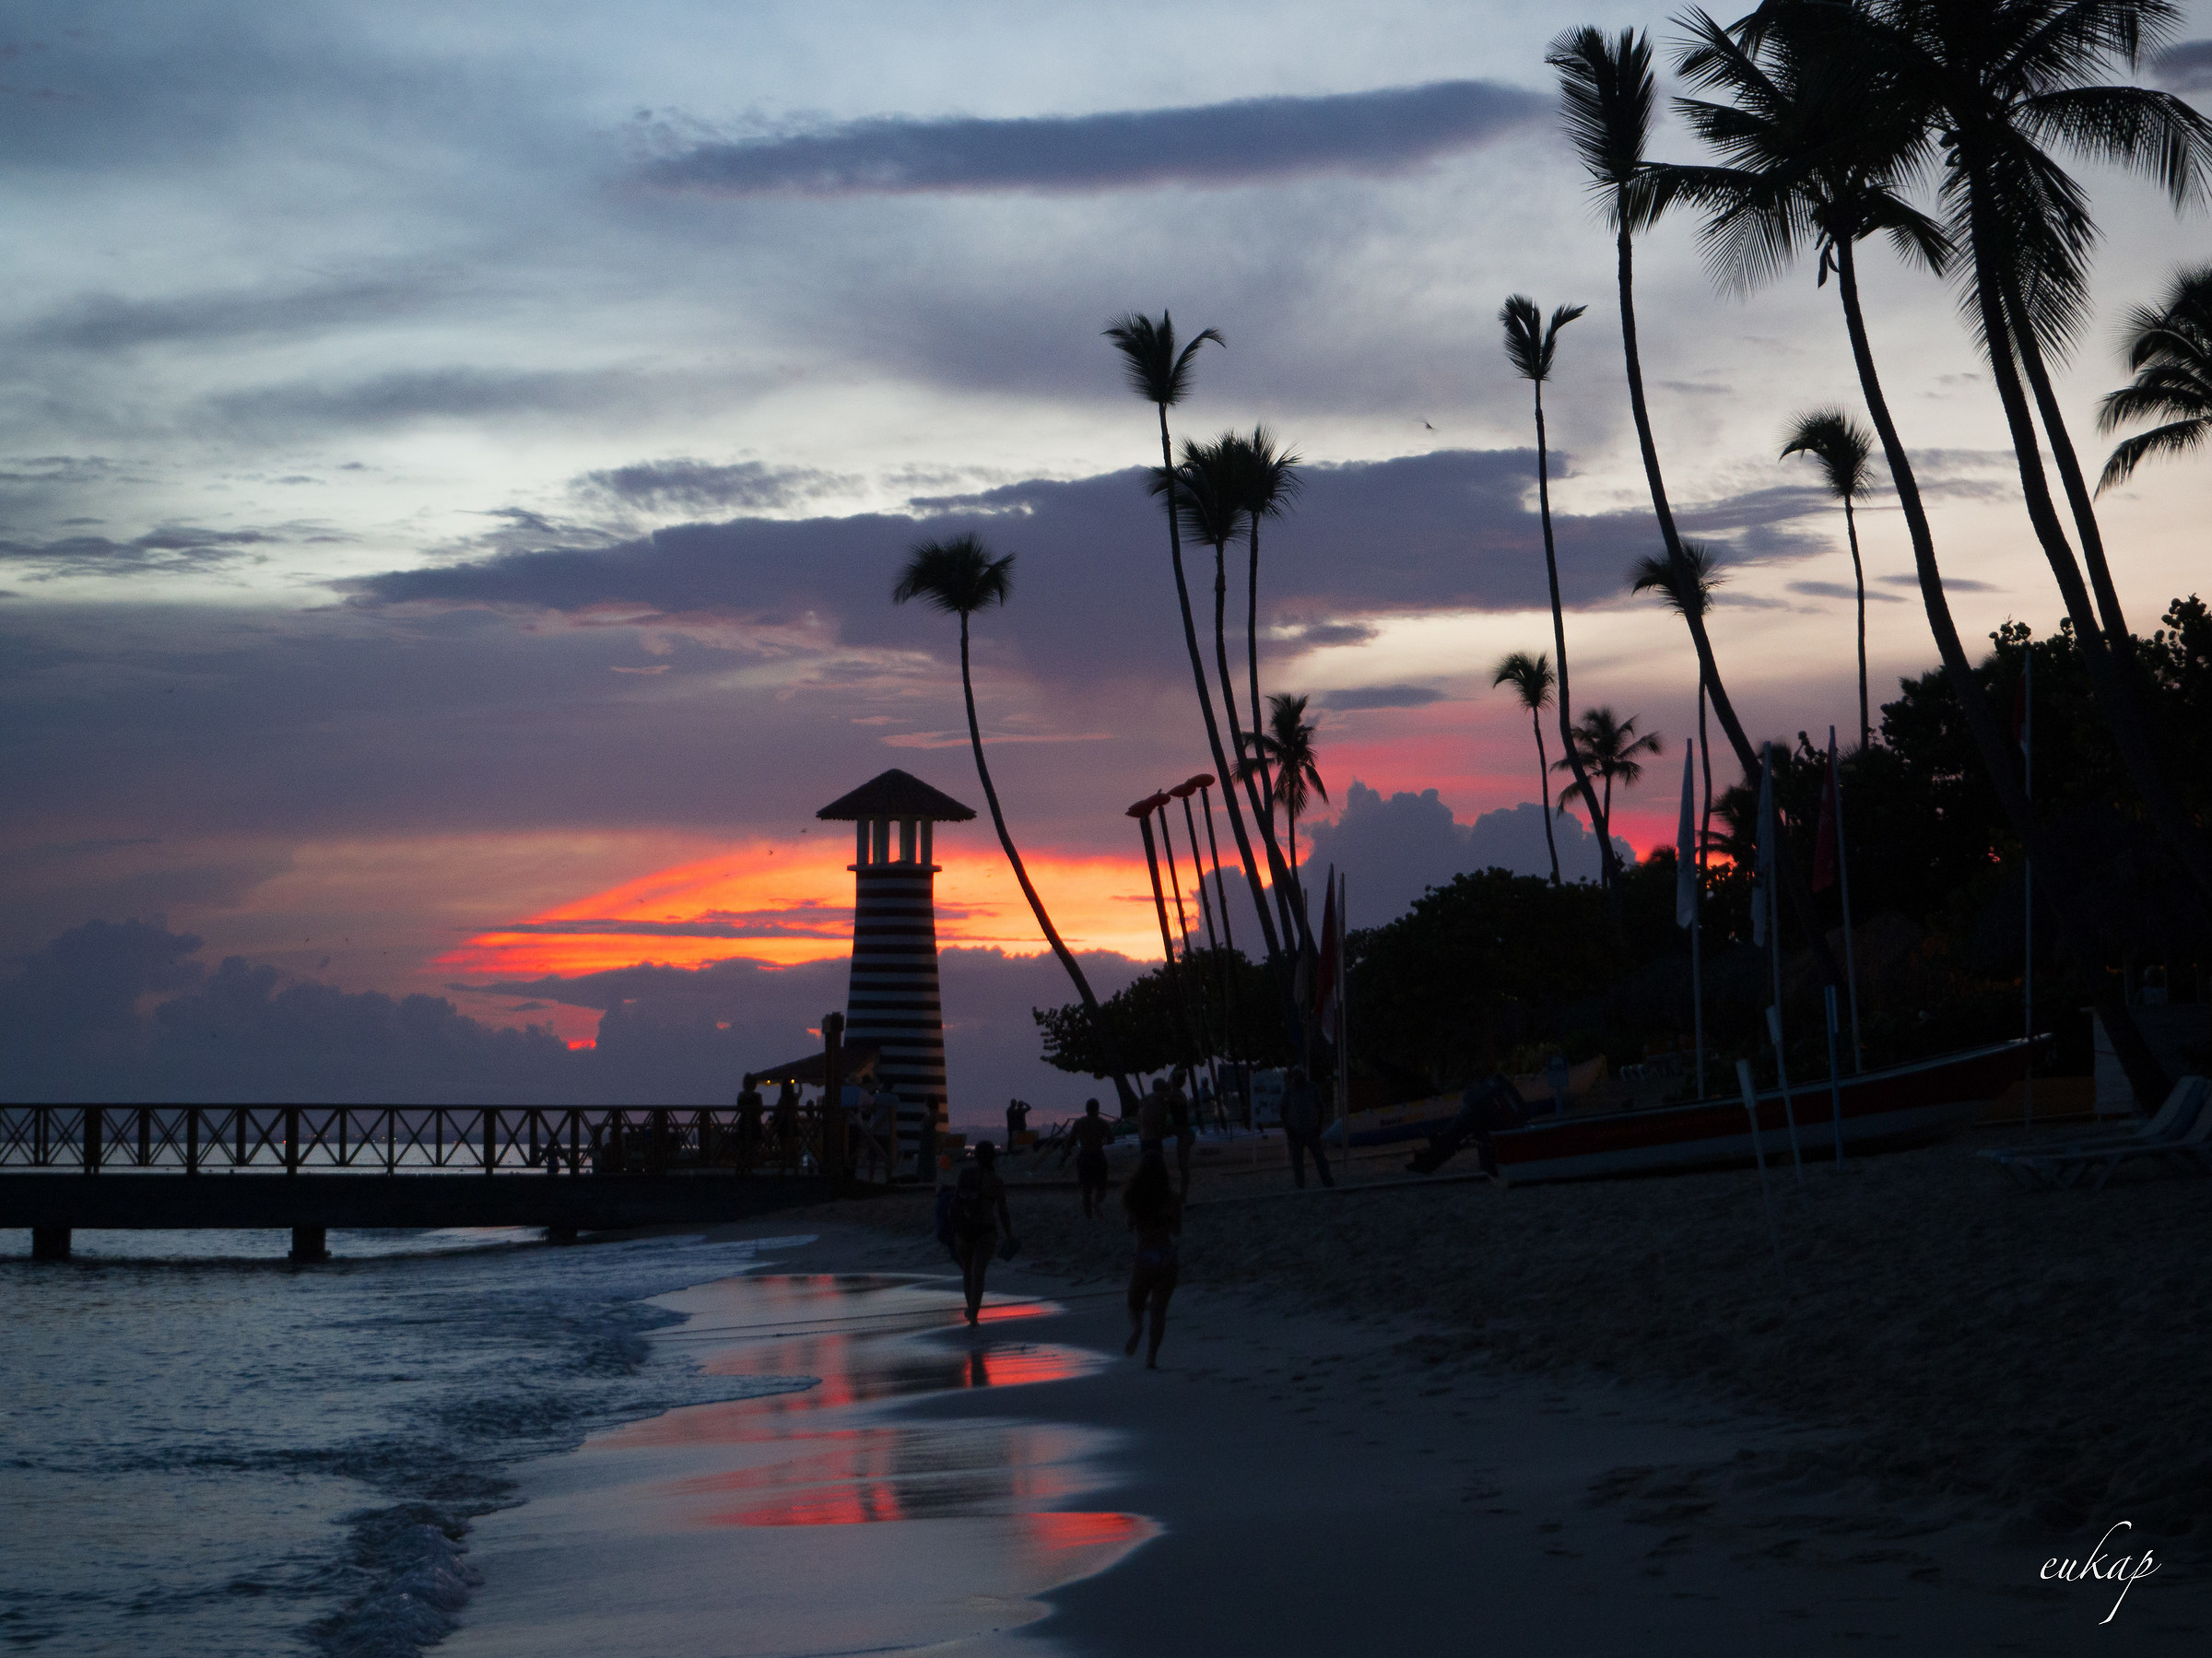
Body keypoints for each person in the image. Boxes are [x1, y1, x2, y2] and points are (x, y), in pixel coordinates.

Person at [1122, 1154, 1182, 1369]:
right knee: (1159, 1311)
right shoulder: (1172, 1198)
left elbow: (1129, 1225)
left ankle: (1137, 1328)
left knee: (1134, 1303)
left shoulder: (1135, 1198)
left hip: (1145, 1256)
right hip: (1166, 1255)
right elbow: (1177, 1231)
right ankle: (1151, 1358)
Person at [949, 1140, 1014, 1324]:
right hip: (985, 1230)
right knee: (979, 1273)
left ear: (976, 1156)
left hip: (964, 1229)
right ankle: (974, 1312)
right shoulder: (996, 1181)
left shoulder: (965, 1174)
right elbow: (1003, 1212)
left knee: (967, 1272)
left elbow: (956, 1202)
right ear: (993, 1157)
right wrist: (1009, 1235)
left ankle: (972, 1312)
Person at [1280, 1065, 1335, 1190]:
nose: (1297, 1077)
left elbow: (1320, 1107)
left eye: (1299, 1074)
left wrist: (1319, 1126)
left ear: (1304, 1075)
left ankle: (1327, 1180)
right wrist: (1288, 1130)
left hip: (1311, 1130)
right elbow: (1283, 1111)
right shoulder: (1289, 1091)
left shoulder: (1312, 1088)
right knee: (1297, 1161)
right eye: (1295, 1075)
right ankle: (1300, 1183)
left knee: (1320, 1158)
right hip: (1295, 1132)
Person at [1071, 1097, 1112, 1219]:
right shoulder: (1102, 1123)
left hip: (1084, 1156)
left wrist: (1064, 1156)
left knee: (1086, 1191)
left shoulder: (1079, 1123)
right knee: (1102, 1188)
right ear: (1098, 1109)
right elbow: (1111, 1139)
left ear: (1086, 1109)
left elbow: (1071, 1140)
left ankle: (1089, 1216)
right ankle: (1096, 1203)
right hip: (1098, 1156)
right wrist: (1102, 1141)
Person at [1167, 1067, 1197, 1197]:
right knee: (1182, 1166)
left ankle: (1183, 1195)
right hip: (1184, 1133)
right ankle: (1182, 1193)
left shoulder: (1176, 1094)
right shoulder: (1177, 1094)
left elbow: (1163, 1097)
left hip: (1185, 1134)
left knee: (1183, 1167)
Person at [735, 1084, 765, 1174]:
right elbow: (761, 1110)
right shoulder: (757, 1096)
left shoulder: (741, 1096)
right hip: (754, 1122)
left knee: (742, 1146)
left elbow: (739, 1108)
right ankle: (749, 1167)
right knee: (752, 1147)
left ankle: (741, 1166)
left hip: (743, 1122)